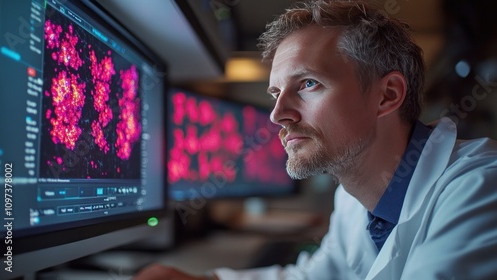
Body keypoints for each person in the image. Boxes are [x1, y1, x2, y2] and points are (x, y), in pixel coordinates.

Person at [133, 0, 497, 279]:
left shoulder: (479, 188)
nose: (277, 115)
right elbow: (319, 275)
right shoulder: (355, 196)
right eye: (276, 93)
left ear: (387, 95)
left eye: (308, 84)